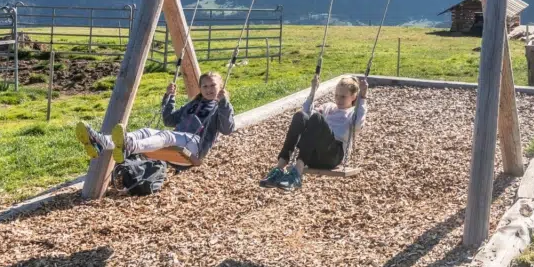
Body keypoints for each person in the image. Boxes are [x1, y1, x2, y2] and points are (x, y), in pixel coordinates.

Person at [75, 72, 236, 166]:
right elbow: (169, 120)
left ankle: (130, 147)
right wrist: (169, 97)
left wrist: (224, 103)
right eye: (205, 86)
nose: (209, 89)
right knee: (145, 131)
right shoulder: (193, 104)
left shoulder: (219, 107)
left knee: (166, 136)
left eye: (213, 85)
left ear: (220, 87)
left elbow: (228, 129)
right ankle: (102, 142)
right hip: (179, 140)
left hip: (194, 148)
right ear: (200, 88)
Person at [259, 75, 368, 190]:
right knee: (300, 116)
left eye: (343, 96)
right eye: (336, 95)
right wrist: (313, 91)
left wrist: (363, 97)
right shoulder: (328, 107)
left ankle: (297, 174)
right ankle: (279, 169)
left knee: (317, 118)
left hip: (333, 155)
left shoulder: (353, 113)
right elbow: (306, 114)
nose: (338, 99)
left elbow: (358, 126)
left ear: (353, 96)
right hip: (312, 155)